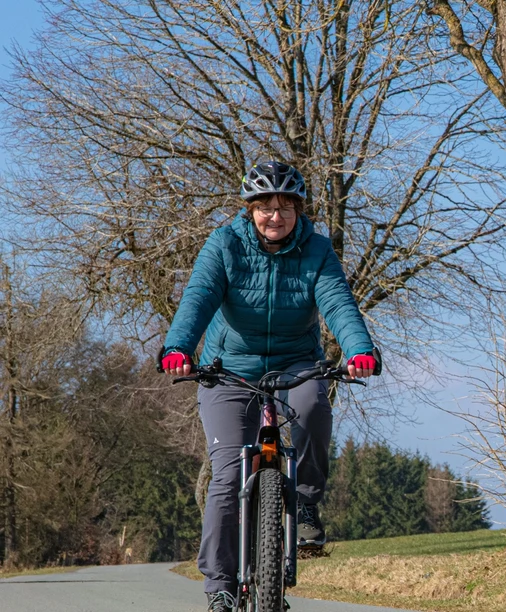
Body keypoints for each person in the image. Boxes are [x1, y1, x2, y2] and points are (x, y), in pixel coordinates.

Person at [158, 161, 381, 612]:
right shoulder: (224, 244)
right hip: (230, 370)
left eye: (284, 207)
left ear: (298, 210)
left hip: (295, 363)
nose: (274, 216)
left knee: (314, 406)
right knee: (225, 477)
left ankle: (304, 505)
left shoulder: (317, 250)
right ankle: (220, 584)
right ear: (250, 209)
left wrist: (360, 350)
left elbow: (338, 302)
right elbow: (198, 297)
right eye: (264, 207)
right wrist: (178, 348)